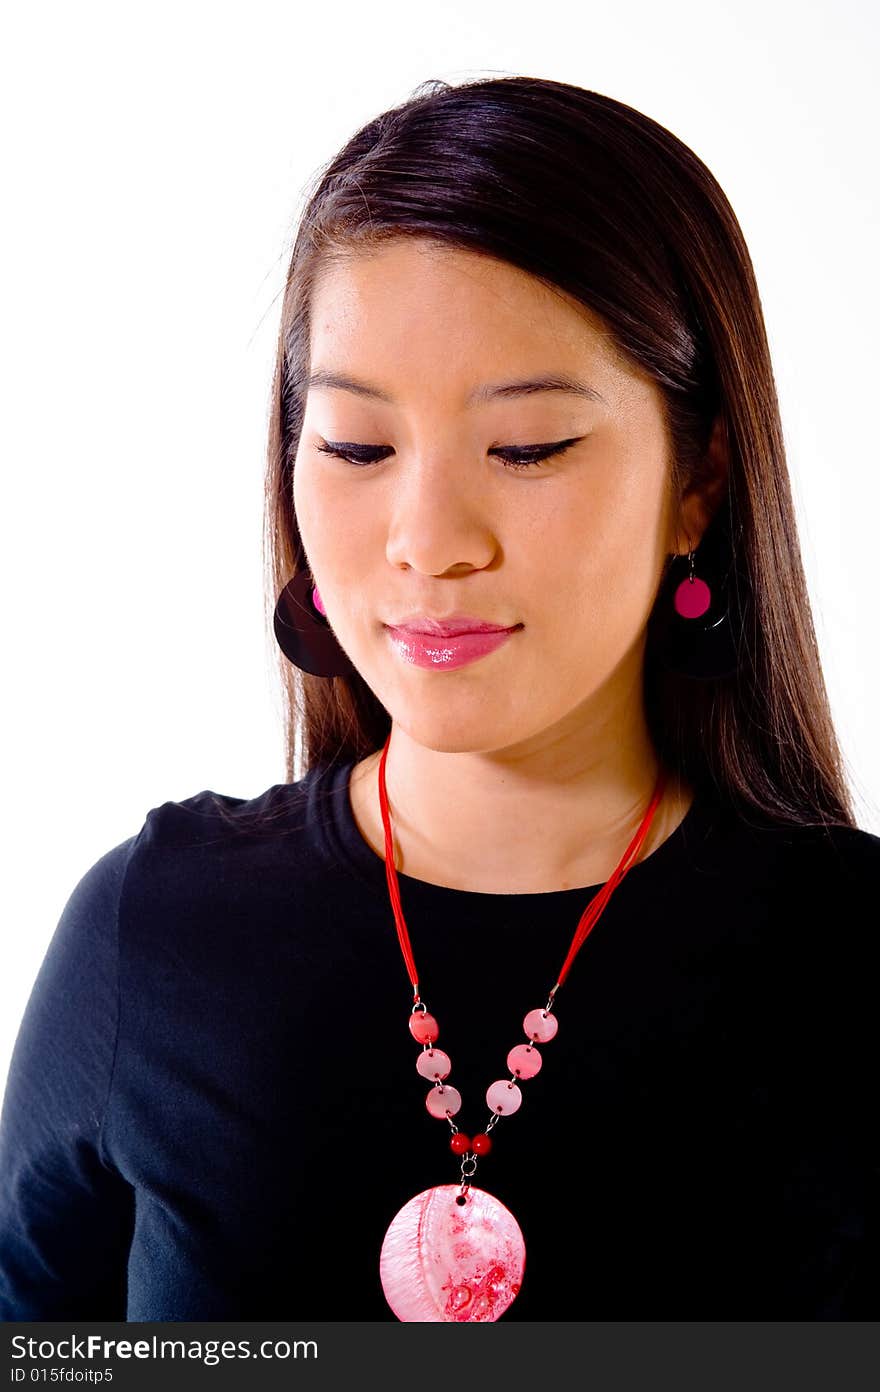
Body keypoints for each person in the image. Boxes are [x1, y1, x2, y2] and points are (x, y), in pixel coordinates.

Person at [0, 75, 877, 1323]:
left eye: (525, 449)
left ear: (700, 480)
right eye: (358, 447)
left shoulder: (852, 964)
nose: (427, 541)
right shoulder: (153, 934)